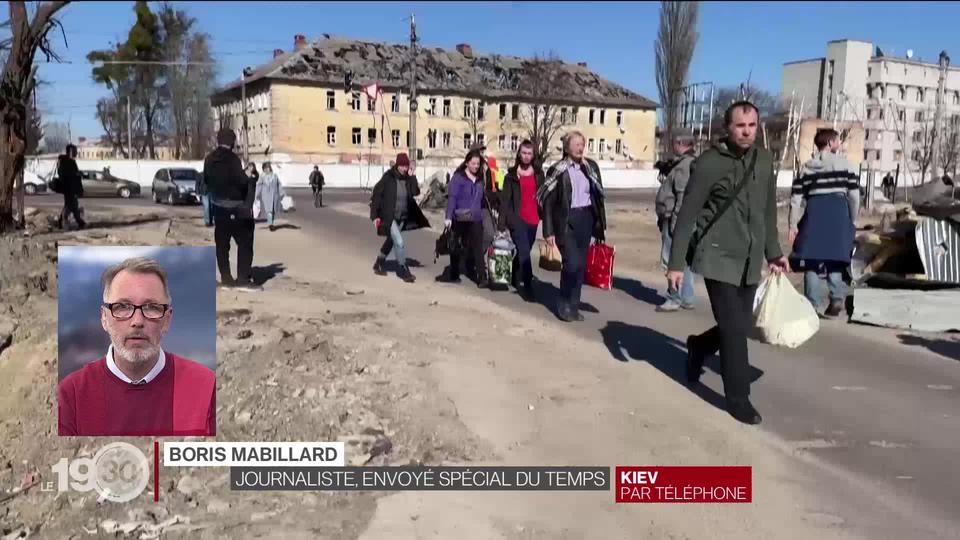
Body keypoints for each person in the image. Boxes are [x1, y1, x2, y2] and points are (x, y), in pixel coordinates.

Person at [667, 101, 790, 425]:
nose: (747, 131)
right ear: (728, 128)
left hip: (749, 259)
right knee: (735, 331)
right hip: (717, 255)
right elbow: (688, 214)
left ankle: (699, 347)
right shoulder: (709, 163)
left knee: (735, 324)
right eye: (740, 125)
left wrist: (774, 252)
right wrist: (676, 263)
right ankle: (738, 398)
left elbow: (767, 211)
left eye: (751, 125)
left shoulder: (764, 161)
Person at [57, 257, 216, 436]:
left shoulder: (206, 387)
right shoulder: (72, 394)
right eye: (123, 306)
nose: (137, 321)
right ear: (104, 318)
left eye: (151, 307)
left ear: (167, 320)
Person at [788, 128, 859, 318]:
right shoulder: (846, 166)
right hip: (838, 212)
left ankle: (812, 304)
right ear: (830, 143)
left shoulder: (806, 167)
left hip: (814, 213)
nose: (839, 144)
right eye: (837, 141)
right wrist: (853, 219)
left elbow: (796, 199)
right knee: (835, 258)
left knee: (811, 260)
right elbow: (853, 196)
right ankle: (836, 300)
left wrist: (793, 225)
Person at [538, 131, 607, 322]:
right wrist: (548, 231)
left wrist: (599, 225)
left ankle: (574, 307)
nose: (580, 147)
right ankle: (563, 304)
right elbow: (548, 202)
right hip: (566, 221)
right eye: (576, 144)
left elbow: (598, 197)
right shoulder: (557, 170)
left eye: (582, 144)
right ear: (567, 147)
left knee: (581, 267)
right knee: (571, 264)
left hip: (586, 219)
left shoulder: (590, 168)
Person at [203, 128, 260, 290]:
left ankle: (226, 279)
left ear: (218, 140)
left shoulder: (209, 159)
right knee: (245, 243)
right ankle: (242, 279)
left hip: (218, 208)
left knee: (222, 246)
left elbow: (207, 180)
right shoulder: (233, 160)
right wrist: (248, 175)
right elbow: (240, 181)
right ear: (232, 142)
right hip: (238, 209)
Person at [370, 153, 430, 283]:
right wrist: (374, 216)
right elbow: (377, 194)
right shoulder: (389, 177)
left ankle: (379, 262)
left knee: (392, 241)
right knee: (399, 242)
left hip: (402, 216)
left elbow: (415, 192)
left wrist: (412, 176)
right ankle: (402, 269)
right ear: (397, 165)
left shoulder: (408, 178)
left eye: (406, 166)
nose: (404, 168)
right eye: (402, 165)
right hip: (389, 216)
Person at [654, 134, 697, 312]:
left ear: (680, 143)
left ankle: (674, 297)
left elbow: (681, 196)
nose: (672, 146)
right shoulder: (687, 163)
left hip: (674, 218)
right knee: (684, 260)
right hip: (677, 219)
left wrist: (675, 225)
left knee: (671, 260)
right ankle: (686, 297)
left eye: (673, 143)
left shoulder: (684, 167)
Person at [499, 139, 544, 302]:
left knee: (524, 251)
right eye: (523, 153)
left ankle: (514, 275)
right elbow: (505, 200)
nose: (526, 156)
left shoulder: (539, 174)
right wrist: (501, 224)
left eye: (529, 153)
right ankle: (528, 287)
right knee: (524, 251)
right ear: (519, 154)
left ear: (533, 155)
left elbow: (544, 196)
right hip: (516, 219)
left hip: (534, 219)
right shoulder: (511, 175)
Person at [438, 149, 489, 287]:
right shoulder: (458, 178)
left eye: (478, 164)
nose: (476, 166)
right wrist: (448, 217)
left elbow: (482, 198)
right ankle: (454, 273)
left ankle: (482, 277)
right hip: (459, 216)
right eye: (473, 163)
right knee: (456, 245)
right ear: (467, 163)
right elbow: (452, 198)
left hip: (475, 218)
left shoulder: (480, 179)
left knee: (477, 246)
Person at [57, 144, 86, 230]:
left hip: (71, 187)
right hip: (69, 188)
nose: (76, 152)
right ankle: (63, 221)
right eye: (75, 151)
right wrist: (76, 175)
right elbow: (64, 174)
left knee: (73, 205)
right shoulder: (67, 162)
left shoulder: (69, 161)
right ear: (70, 151)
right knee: (70, 205)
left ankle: (79, 222)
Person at [256, 162, 285, 232]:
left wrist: (281, 193)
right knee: (269, 211)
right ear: (263, 169)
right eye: (265, 168)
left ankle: (271, 222)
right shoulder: (262, 176)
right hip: (266, 196)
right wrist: (256, 195)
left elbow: (279, 184)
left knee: (273, 211)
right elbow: (259, 185)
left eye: (268, 167)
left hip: (275, 196)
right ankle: (271, 225)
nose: (267, 169)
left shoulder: (275, 176)